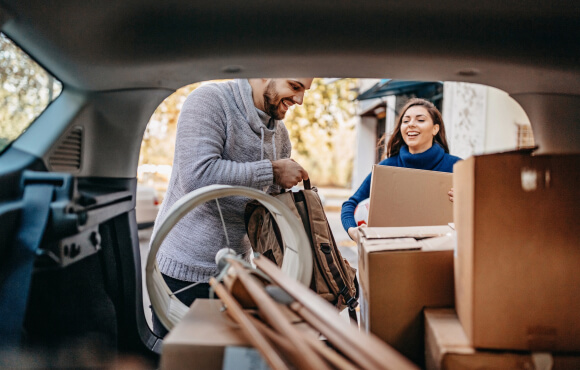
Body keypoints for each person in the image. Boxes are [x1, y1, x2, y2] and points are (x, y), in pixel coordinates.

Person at [150, 78, 313, 337]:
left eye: (305, 90)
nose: (300, 100)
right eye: (295, 87)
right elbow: (197, 175)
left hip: (236, 273)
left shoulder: (280, 134)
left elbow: (265, 210)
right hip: (182, 272)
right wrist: (271, 171)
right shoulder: (209, 101)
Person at [341, 98, 461, 242]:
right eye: (406, 121)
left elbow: (485, 211)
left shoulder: (458, 167)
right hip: (394, 254)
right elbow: (350, 205)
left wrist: (468, 201)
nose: (411, 124)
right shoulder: (387, 168)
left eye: (420, 120)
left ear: (435, 128)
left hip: (442, 253)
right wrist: (352, 230)